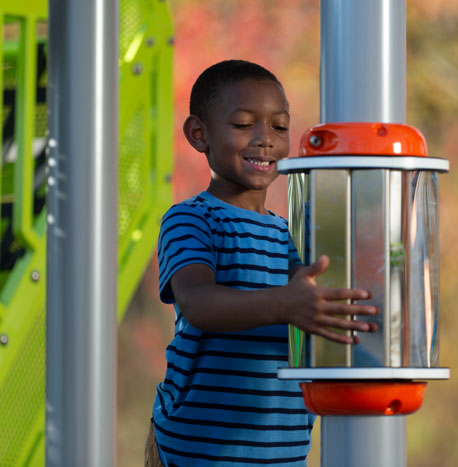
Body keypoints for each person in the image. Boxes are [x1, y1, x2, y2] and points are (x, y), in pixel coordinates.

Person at [146, 59, 378, 466]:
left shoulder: (290, 235)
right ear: (199, 134)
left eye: (280, 126)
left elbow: (316, 310)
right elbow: (199, 303)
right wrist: (285, 305)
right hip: (203, 449)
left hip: (282, 452)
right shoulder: (192, 219)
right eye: (243, 125)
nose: (265, 139)